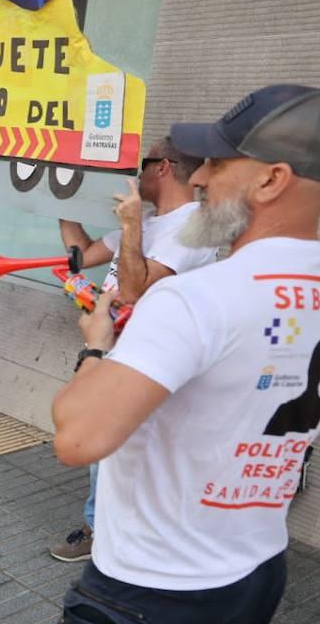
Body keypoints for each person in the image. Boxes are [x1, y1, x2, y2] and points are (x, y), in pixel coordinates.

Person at [44, 85, 320, 624]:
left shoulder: (197, 298)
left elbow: (78, 438)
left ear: (271, 179)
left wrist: (95, 351)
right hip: (247, 570)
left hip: (144, 589)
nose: (197, 178)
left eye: (218, 162)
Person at [49, 138, 219, 562]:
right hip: (117, 350)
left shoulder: (193, 225)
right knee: (108, 451)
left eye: (142, 164)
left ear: (163, 168)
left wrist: (130, 228)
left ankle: (110, 534)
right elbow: (85, 253)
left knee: (118, 449)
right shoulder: (147, 221)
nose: (134, 174)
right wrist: (58, 197)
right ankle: (102, 527)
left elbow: (134, 288)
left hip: (150, 359)